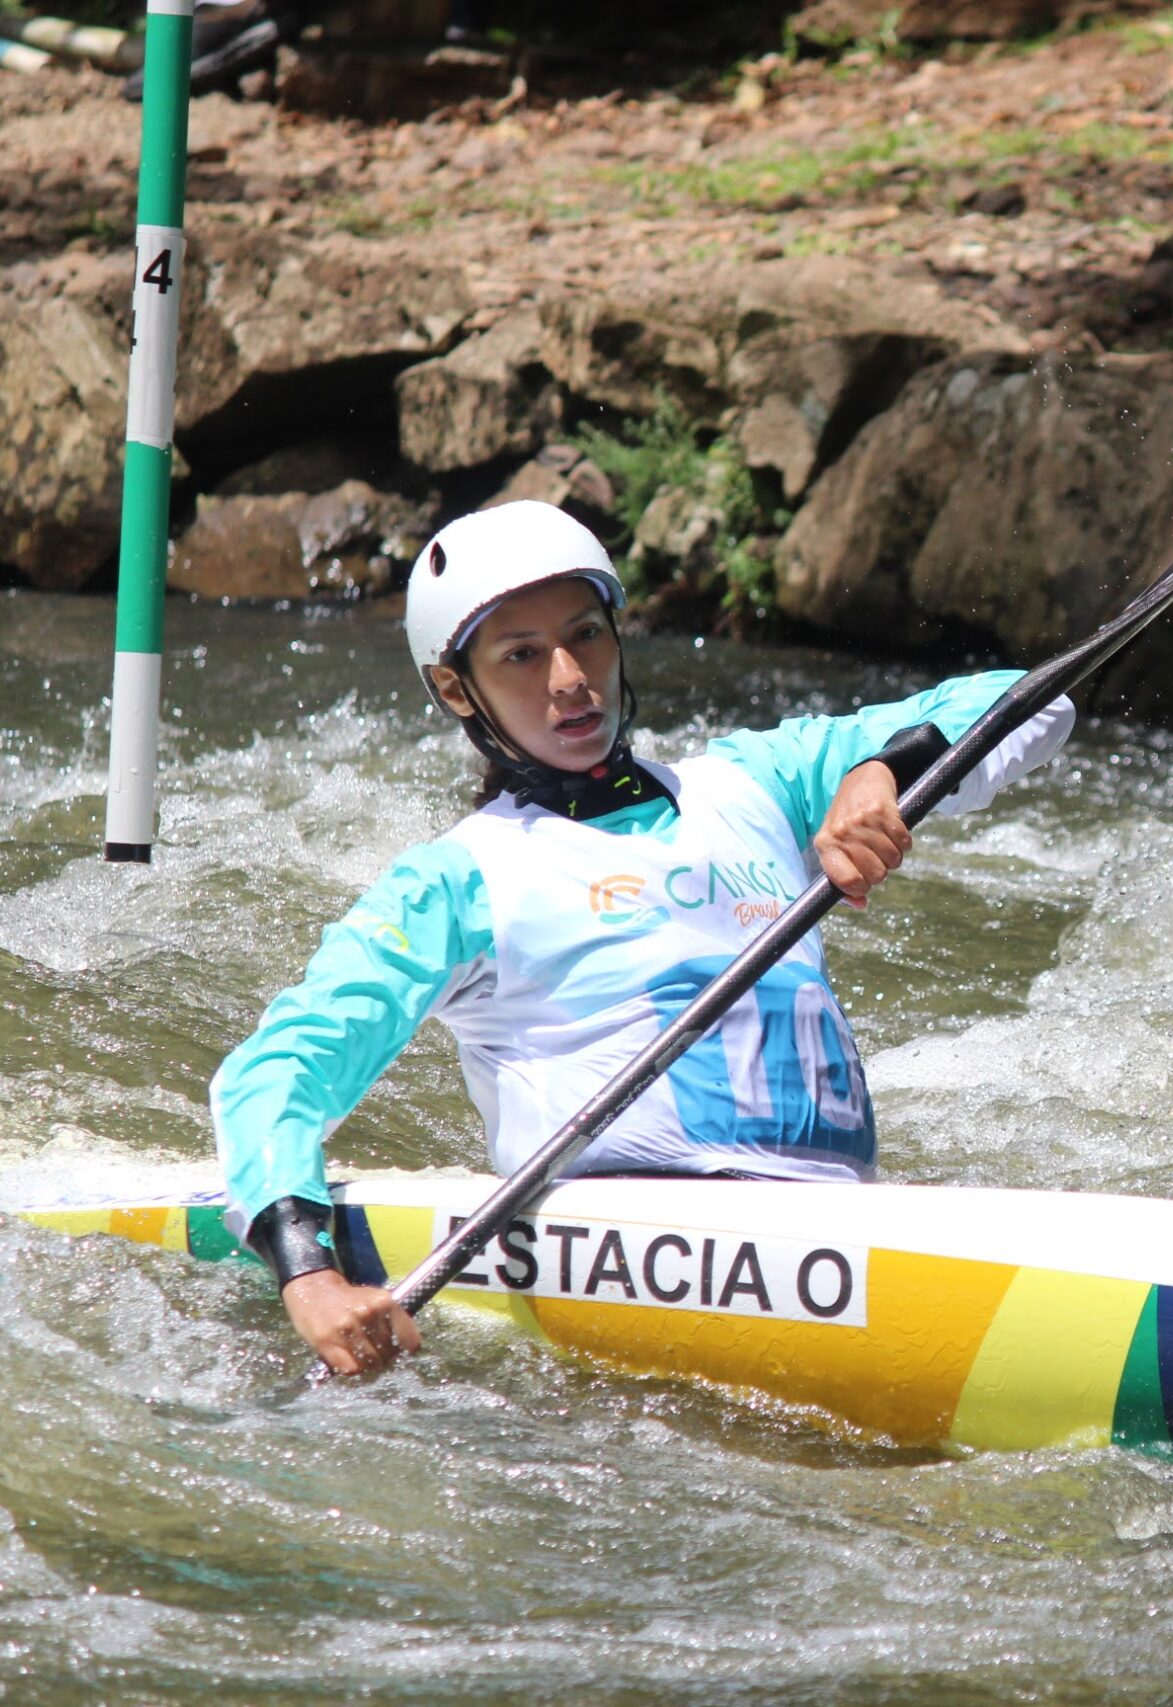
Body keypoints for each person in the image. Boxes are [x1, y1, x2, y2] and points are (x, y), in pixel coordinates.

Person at [210, 500, 1073, 1375]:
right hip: (635, 1249)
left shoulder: (756, 784)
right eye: (521, 654)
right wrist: (308, 1271)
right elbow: (283, 1066)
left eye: (586, 634)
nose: (569, 677)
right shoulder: (457, 881)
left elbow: (1035, 701)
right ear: (455, 690)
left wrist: (882, 767)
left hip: (833, 1223)